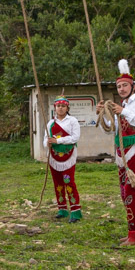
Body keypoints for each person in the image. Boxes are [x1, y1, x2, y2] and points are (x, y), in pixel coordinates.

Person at [96, 59, 135, 246]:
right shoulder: (120, 105)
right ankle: (134, 229)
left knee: (131, 190)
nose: (121, 89)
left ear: (132, 86)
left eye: (125, 85)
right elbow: (113, 129)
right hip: (122, 152)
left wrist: (124, 112)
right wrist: (103, 113)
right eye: (119, 86)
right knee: (124, 191)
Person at [43, 95, 82, 223]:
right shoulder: (50, 123)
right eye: (58, 106)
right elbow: (45, 139)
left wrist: (58, 140)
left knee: (68, 181)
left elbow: (75, 138)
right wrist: (47, 143)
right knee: (58, 183)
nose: (60, 108)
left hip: (68, 157)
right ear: (55, 108)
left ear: (67, 107)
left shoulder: (72, 121)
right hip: (54, 157)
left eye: (63, 106)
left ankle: (75, 210)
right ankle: (62, 208)